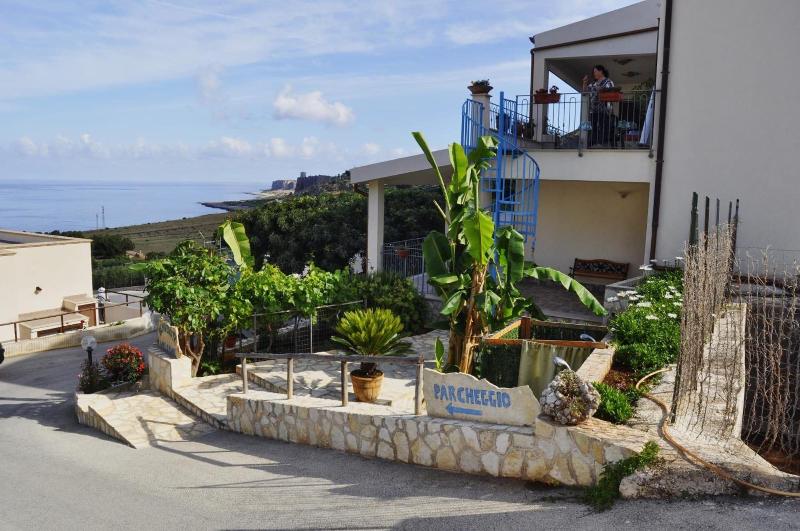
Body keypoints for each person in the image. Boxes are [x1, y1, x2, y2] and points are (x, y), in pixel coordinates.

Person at [582, 65, 615, 147]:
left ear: (601, 71)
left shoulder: (608, 82)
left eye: (595, 71)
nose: (594, 73)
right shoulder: (593, 83)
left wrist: (601, 89)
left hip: (605, 109)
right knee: (593, 127)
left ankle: (602, 144)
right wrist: (585, 83)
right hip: (593, 110)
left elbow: (612, 92)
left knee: (603, 127)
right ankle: (594, 144)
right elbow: (584, 93)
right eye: (594, 72)